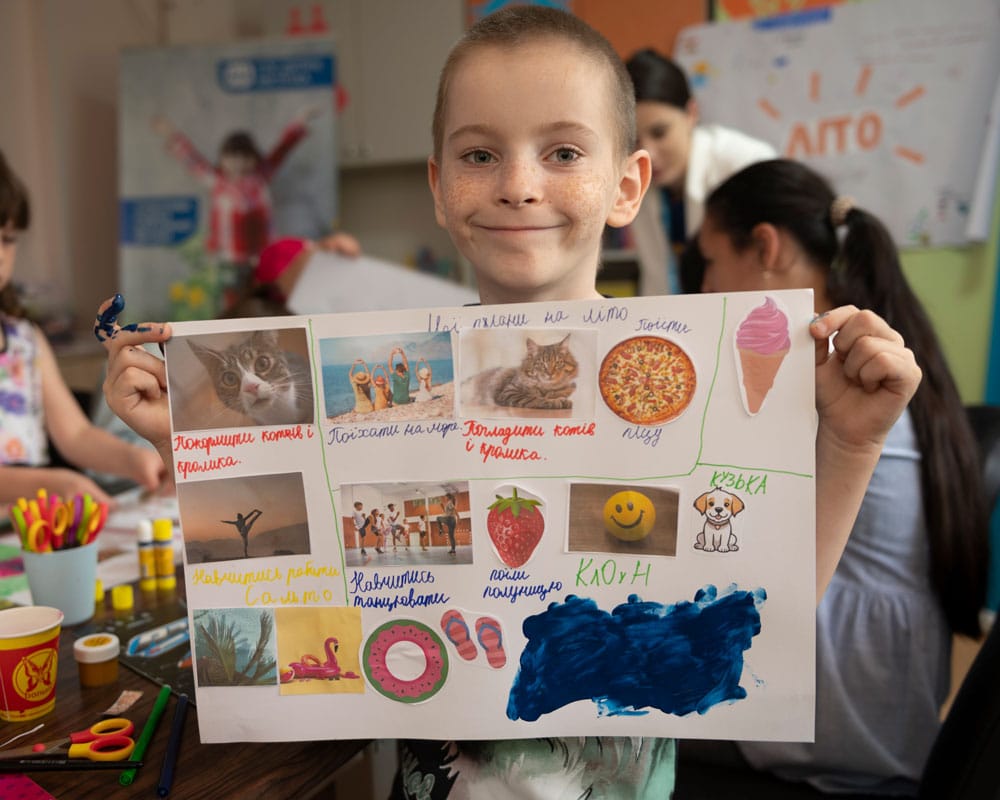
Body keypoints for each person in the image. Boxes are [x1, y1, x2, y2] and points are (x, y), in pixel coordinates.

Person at [97, 7, 921, 797]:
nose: (519, 185)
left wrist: (849, 447)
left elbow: (758, 616)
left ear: (629, 185)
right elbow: (309, 567)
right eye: (480, 155)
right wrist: (198, 447)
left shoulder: (675, 379)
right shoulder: (413, 390)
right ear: (438, 183)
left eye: (563, 152)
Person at [681, 158, 988, 796]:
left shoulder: (821, 385)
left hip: (833, 727)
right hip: (888, 719)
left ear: (764, 246)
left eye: (709, 261)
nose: (705, 287)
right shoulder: (878, 362)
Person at [0, 150, 164, 506]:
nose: (0, 254)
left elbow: (75, 434)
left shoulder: (25, 341)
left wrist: (137, 460)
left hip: (32, 532)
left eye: (8, 239)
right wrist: (49, 485)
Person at [624, 48, 776, 296]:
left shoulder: (746, 165)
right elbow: (656, 282)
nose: (647, 153)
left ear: (691, 113)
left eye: (660, 132)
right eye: (633, 140)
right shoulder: (635, 181)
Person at [150, 106, 321, 309]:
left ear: (254, 158)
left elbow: (281, 150)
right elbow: (191, 159)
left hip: (259, 258)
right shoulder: (216, 181)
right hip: (227, 258)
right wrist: (170, 132)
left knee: (262, 302)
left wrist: (299, 123)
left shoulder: (260, 178)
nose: (238, 164)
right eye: (232, 157)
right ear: (222, 159)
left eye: (245, 158)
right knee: (230, 304)